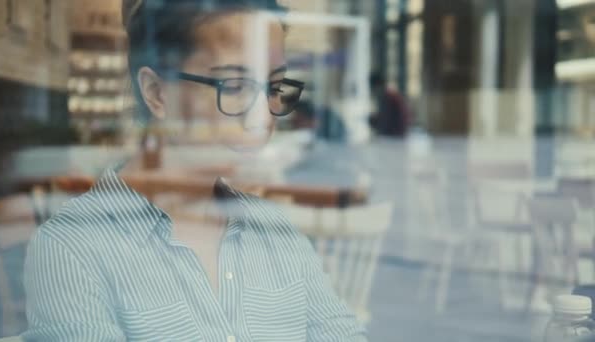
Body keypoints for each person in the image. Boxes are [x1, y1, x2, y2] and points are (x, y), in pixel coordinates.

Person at [22, 0, 366, 341]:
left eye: (274, 89)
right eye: (234, 87)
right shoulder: (71, 249)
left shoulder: (277, 230)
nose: (262, 119)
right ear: (157, 93)